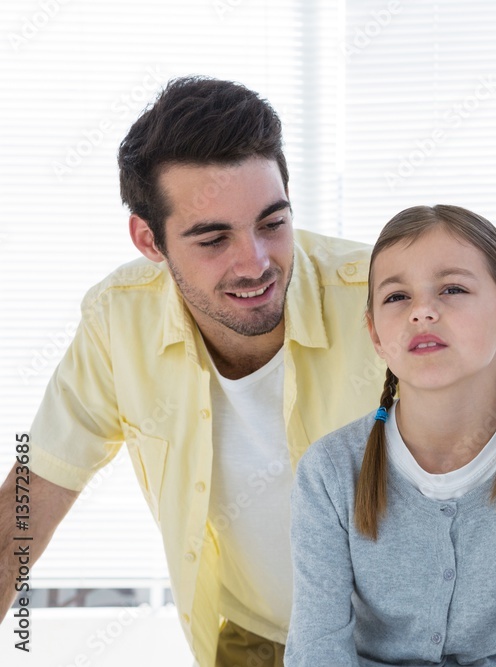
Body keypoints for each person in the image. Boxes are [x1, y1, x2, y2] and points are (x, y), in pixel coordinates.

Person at [0, 77, 384, 666]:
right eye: (212, 238)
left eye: (272, 223)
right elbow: (30, 497)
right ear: (149, 240)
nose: (255, 262)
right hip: (255, 640)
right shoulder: (117, 321)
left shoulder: (383, 292)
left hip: (410, 644)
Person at [286, 205, 496, 667]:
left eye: (452, 289)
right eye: (397, 297)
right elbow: (318, 653)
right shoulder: (328, 473)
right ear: (375, 334)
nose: (423, 312)